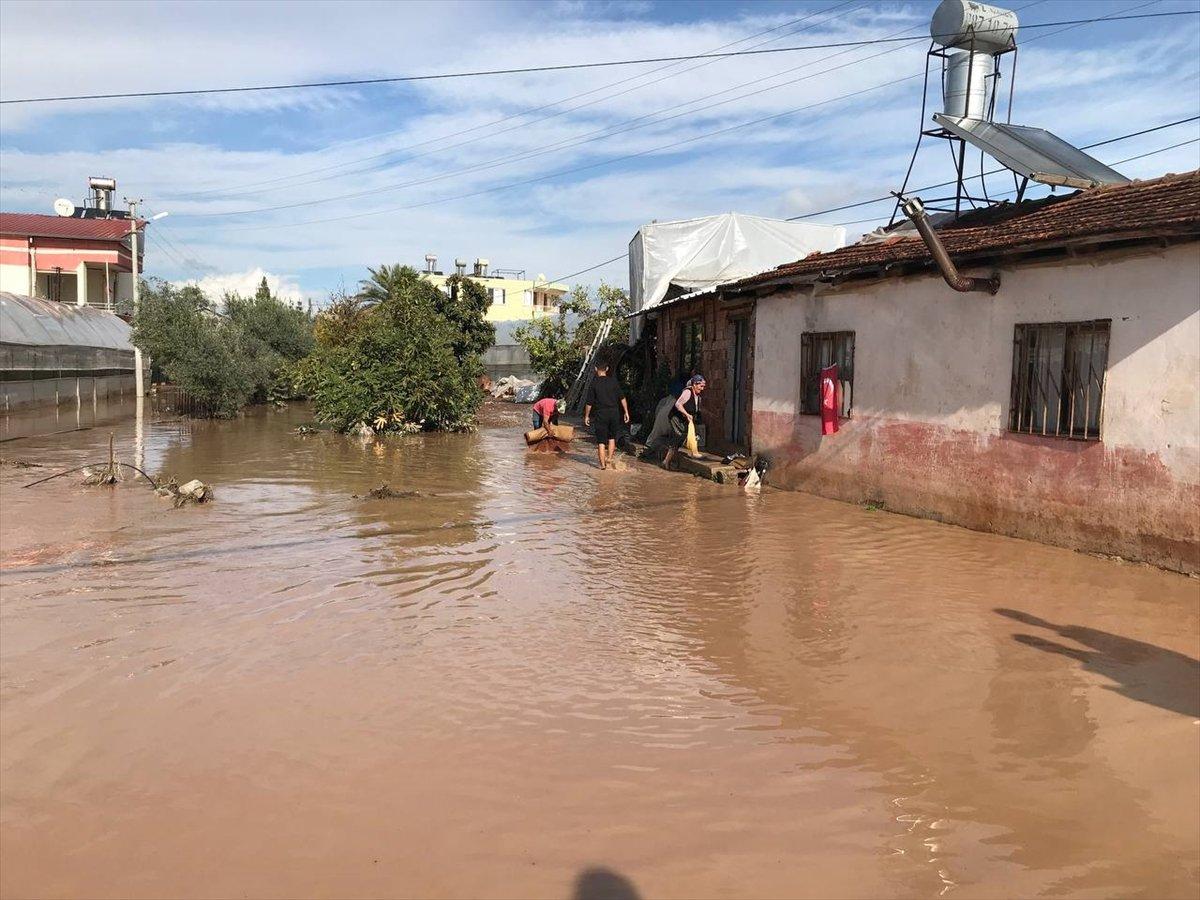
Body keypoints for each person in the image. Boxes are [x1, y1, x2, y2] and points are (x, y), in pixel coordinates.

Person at [583, 361, 630, 470]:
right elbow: (622, 398)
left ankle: (603, 466)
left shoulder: (594, 384)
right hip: (614, 413)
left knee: (601, 441)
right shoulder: (613, 382)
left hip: (601, 413)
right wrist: (626, 412)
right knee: (612, 438)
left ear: (595, 369)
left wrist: (587, 416)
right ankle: (609, 460)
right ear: (607, 369)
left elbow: (589, 403)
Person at [662, 374, 706, 470]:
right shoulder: (688, 392)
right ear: (694, 384)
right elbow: (678, 404)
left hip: (684, 419)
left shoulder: (697, 396)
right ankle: (667, 461)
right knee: (679, 435)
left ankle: (670, 461)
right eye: (701, 386)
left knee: (681, 438)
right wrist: (686, 414)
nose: (702, 388)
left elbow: (695, 409)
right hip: (676, 418)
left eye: (703, 386)